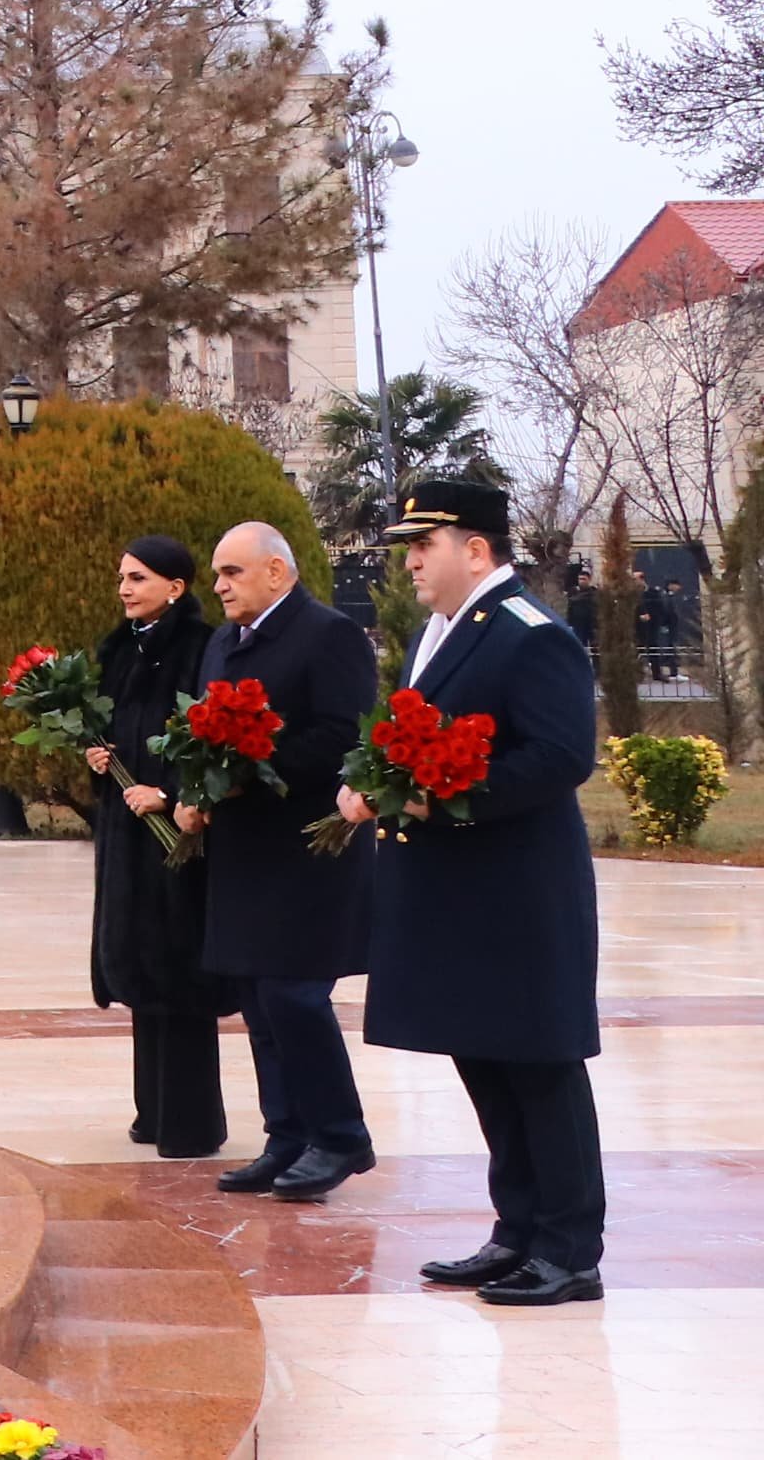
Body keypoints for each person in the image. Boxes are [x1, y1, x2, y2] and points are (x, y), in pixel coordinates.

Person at [355, 478, 608, 1305]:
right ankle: (518, 1230)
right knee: (486, 1060)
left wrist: (449, 796)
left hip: (518, 890)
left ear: (476, 549)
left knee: (538, 1063)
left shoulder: (531, 633)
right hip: (457, 888)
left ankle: (569, 1249)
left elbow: (563, 755)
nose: (412, 561)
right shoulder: (440, 632)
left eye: (424, 545)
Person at [183, 520, 378, 1201]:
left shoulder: (328, 635)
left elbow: (343, 737)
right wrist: (200, 786)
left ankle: (341, 1135)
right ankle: (287, 1135)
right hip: (244, 850)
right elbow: (204, 731)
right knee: (258, 1000)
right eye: (217, 573)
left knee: (295, 995)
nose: (220, 585)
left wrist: (254, 765)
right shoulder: (219, 643)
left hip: (308, 850)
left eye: (232, 571)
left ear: (276, 570)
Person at [79, 535, 227, 1161]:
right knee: (141, 972)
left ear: (176, 586)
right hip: (126, 836)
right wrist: (97, 760)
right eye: (122, 577)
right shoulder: (119, 649)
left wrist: (168, 793)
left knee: (177, 975)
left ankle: (191, 1122)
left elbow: (214, 738)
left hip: (177, 840)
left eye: (138, 578)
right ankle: (153, 1110)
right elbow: (112, 728)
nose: (125, 588)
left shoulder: (202, 649)